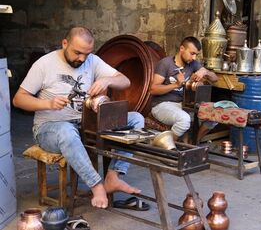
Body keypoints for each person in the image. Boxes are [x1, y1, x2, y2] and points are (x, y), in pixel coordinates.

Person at [13, 26, 144, 209]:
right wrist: (48, 104)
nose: (82, 58)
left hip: (85, 125)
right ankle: (97, 186)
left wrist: (107, 80)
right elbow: (18, 99)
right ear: (64, 43)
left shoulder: (92, 60)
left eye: (86, 53)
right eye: (77, 52)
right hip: (49, 128)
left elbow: (125, 81)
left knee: (137, 119)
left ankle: (113, 177)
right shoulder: (44, 64)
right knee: (66, 131)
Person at [150, 36, 217, 140]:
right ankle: (165, 146)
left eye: (196, 55)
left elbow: (215, 79)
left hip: (183, 104)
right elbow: (153, 89)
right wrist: (176, 85)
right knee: (184, 120)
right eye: (192, 53)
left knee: (214, 115)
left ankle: (195, 144)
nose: (194, 58)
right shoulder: (165, 63)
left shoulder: (193, 63)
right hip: (162, 105)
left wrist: (205, 71)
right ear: (182, 49)